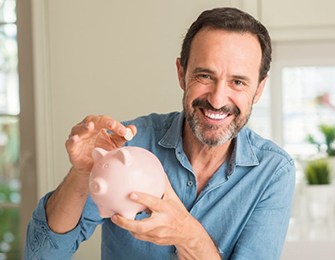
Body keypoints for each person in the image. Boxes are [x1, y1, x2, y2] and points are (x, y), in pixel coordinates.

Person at [24, 7, 295, 260]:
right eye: (204, 76)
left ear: (259, 89)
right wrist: (82, 174)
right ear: (181, 73)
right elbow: (41, 254)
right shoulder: (128, 145)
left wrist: (189, 235)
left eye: (237, 82)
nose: (216, 99)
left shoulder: (273, 172)